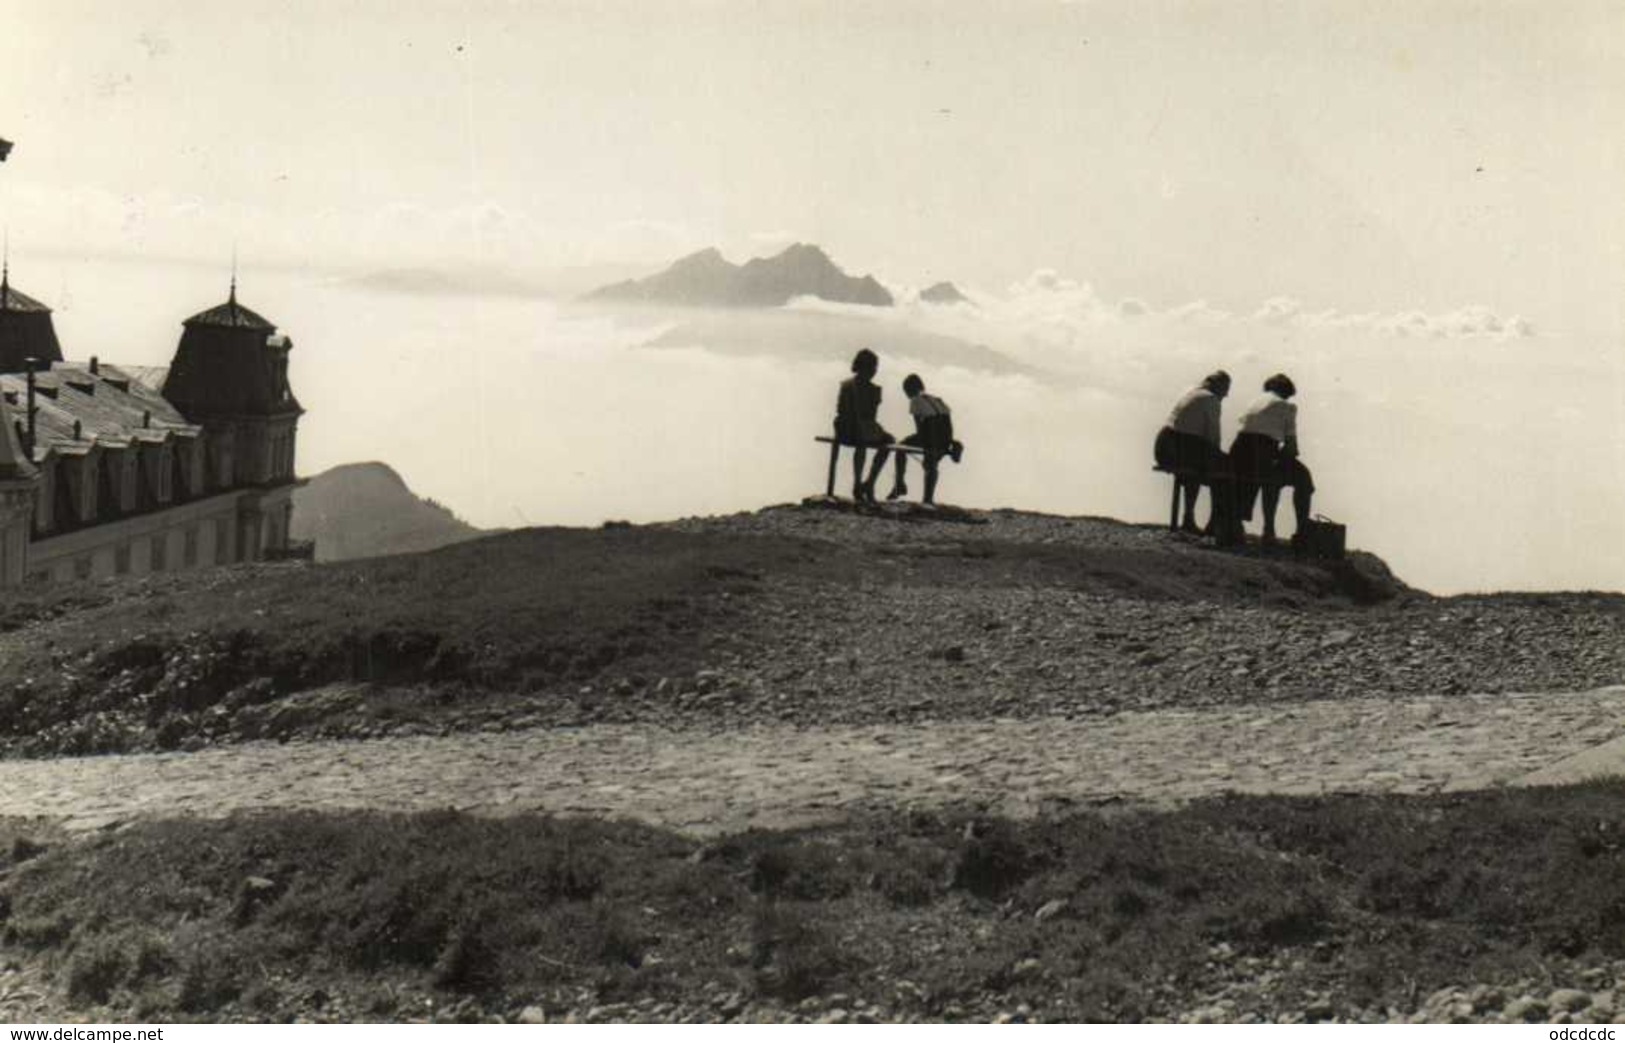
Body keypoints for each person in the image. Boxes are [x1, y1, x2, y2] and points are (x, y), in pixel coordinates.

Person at [1229, 373, 1315, 546]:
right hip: (1263, 452)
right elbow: (1291, 446)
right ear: (1287, 392)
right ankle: (1300, 532)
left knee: (1273, 475)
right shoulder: (1287, 406)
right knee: (1303, 479)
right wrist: (1289, 453)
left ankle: (1266, 529)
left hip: (1238, 452)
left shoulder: (1254, 402)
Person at [1154, 370, 1237, 540]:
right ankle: (1215, 523)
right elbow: (1213, 437)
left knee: (1200, 465)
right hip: (1180, 446)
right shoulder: (1211, 399)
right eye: (1225, 389)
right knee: (1227, 468)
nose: (1226, 395)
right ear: (1218, 386)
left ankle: (1189, 518)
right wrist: (1219, 457)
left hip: (1164, 446)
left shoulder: (1192, 393)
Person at [886, 374, 964, 506]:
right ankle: (928, 499)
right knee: (931, 465)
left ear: (909, 390)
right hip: (945, 438)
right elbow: (948, 423)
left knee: (901, 448)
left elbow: (919, 428)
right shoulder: (938, 400)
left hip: (930, 435)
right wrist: (947, 441)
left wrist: (926, 444)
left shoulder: (915, 401)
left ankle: (900, 484)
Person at [833, 348, 894, 502]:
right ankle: (863, 483)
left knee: (883, 440)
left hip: (851, 427)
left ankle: (865, 483)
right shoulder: (864, 388)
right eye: (873, 367)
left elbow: (843, 410)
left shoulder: (850, 385)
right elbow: (867, 416)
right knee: (869, 439)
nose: (874, 371)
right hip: (852, 428)